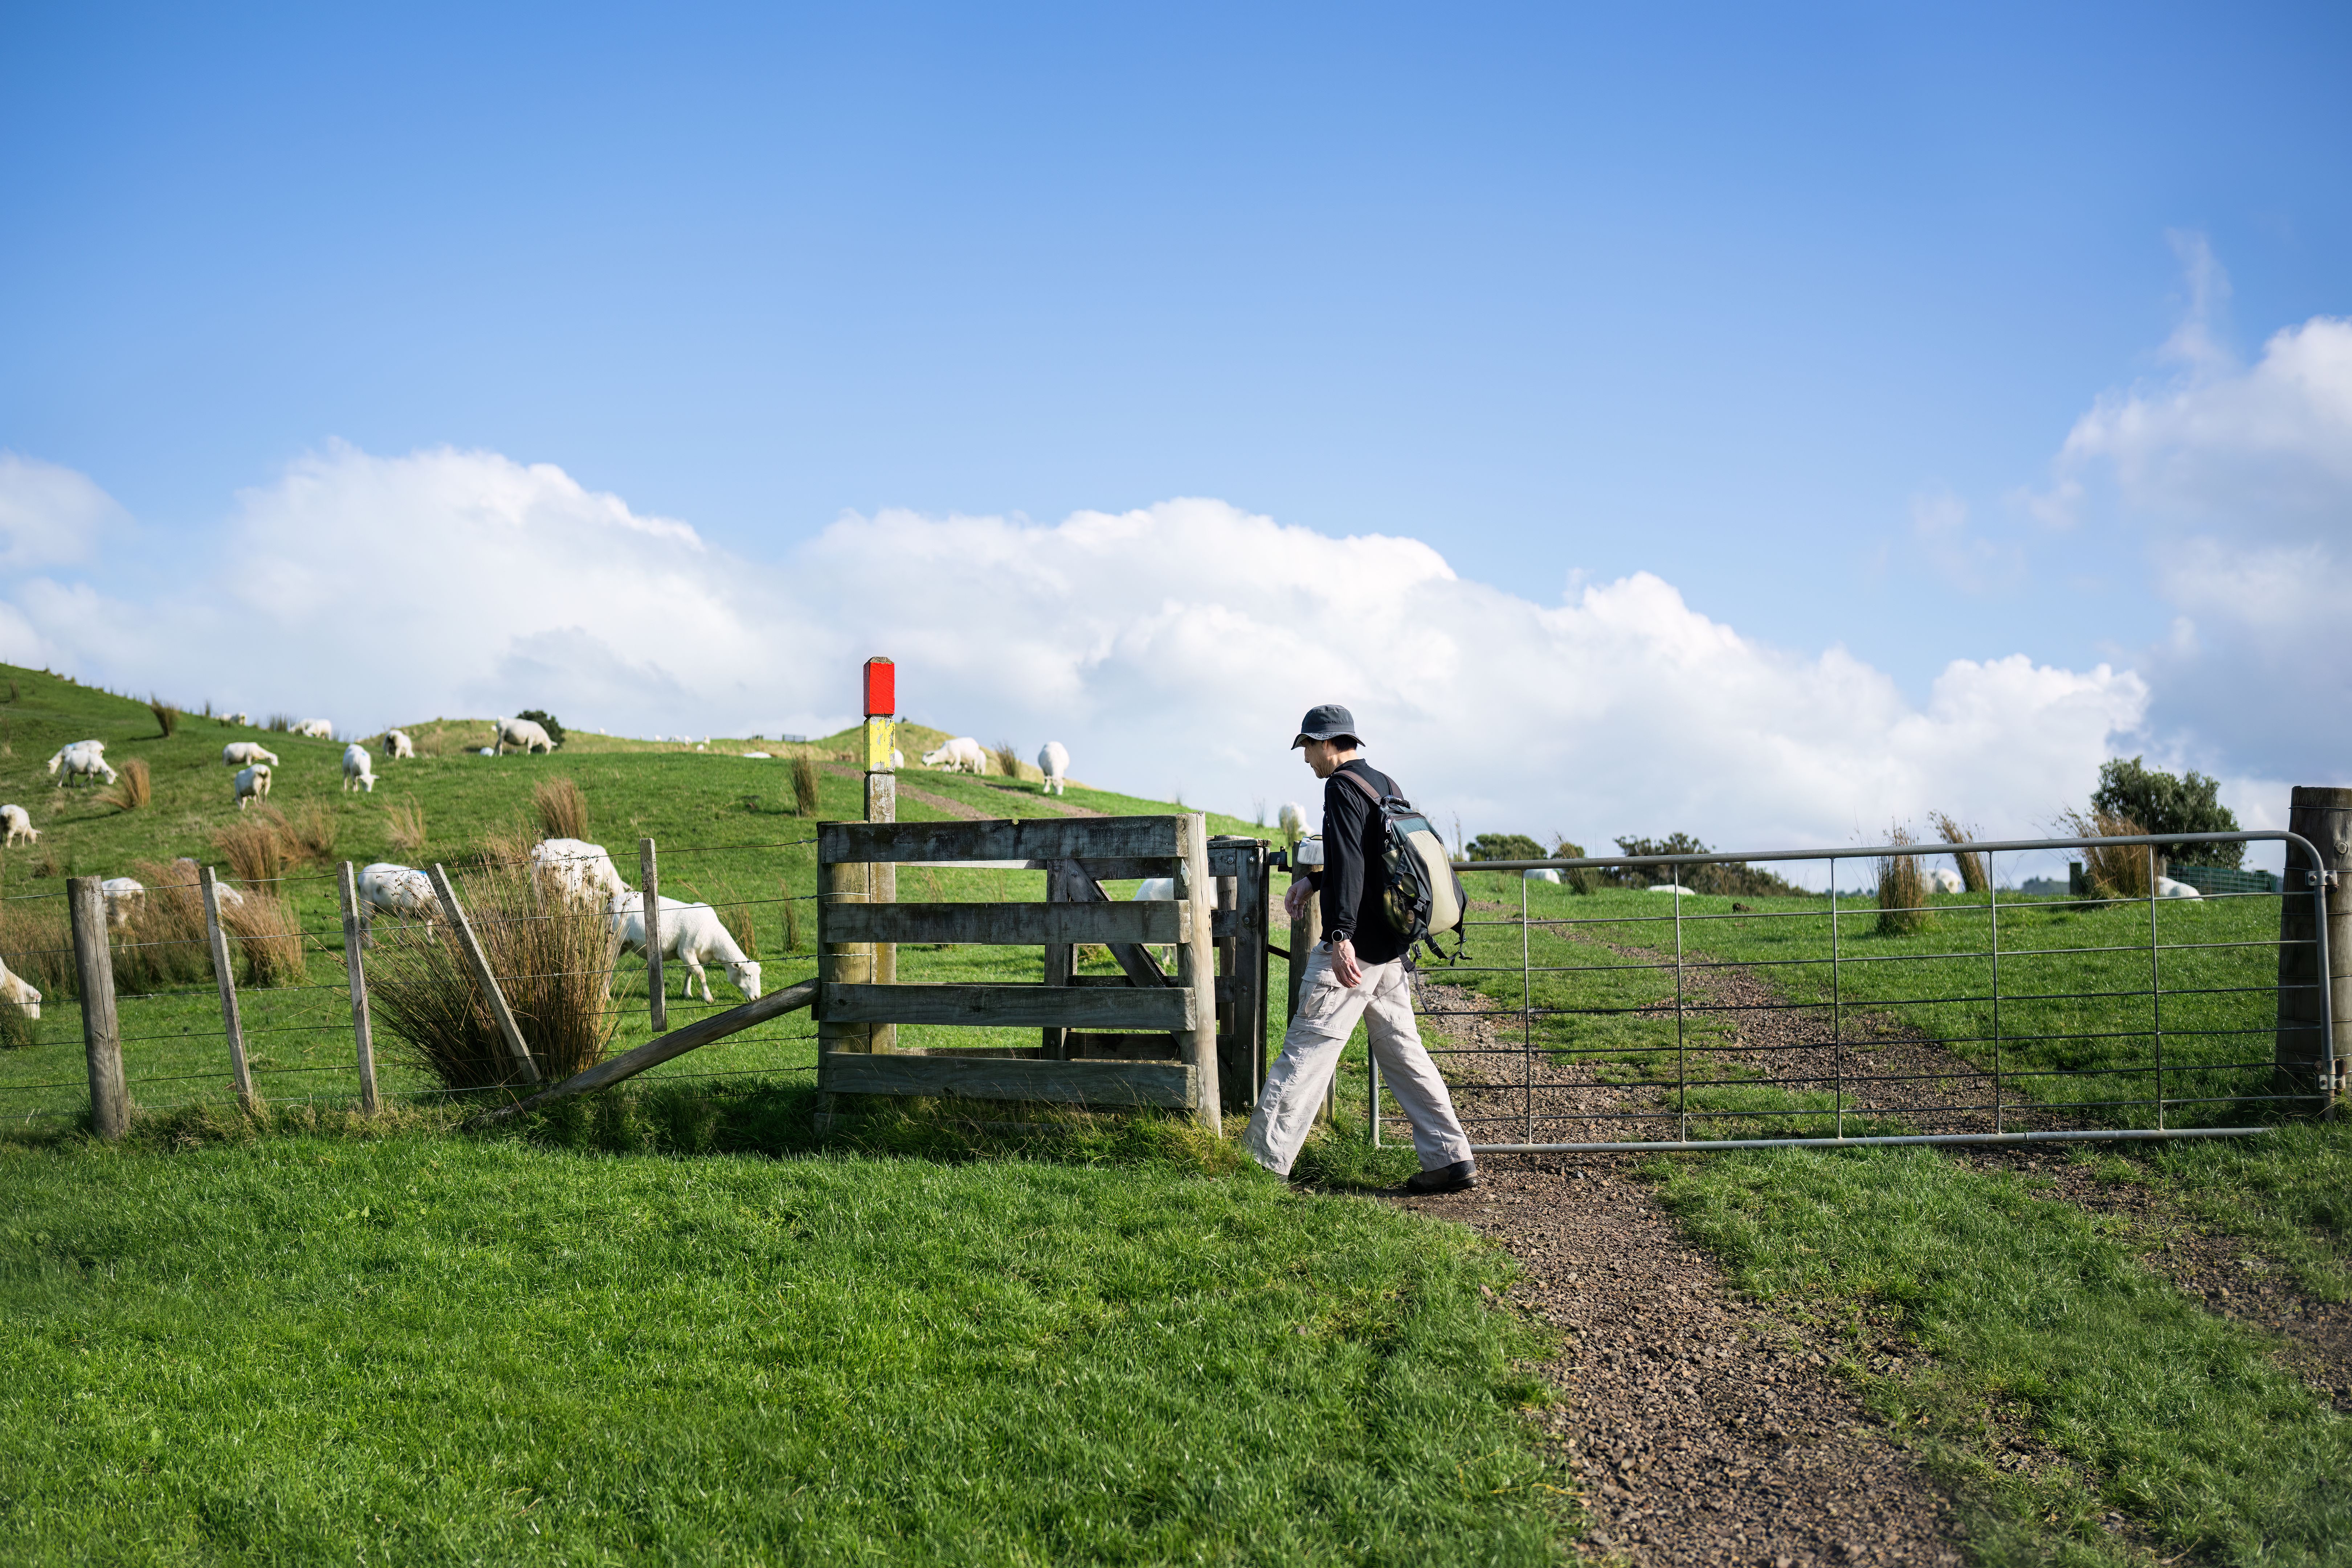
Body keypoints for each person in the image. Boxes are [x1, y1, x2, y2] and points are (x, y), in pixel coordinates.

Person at [1242, 704, 1479, 1194]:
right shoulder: (1383, 784)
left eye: (1308, 747)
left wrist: (1340, 936)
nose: (1307, 759)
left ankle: (1261, 1167)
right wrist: (1315, 881)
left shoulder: (1341, 788)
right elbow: (1377, 861)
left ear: (1327, 743)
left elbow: (1351, 861)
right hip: (1390, 951)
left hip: (1356, 954)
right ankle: (1450, 1158)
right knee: (1405, 1054)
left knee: (1305, 1052)